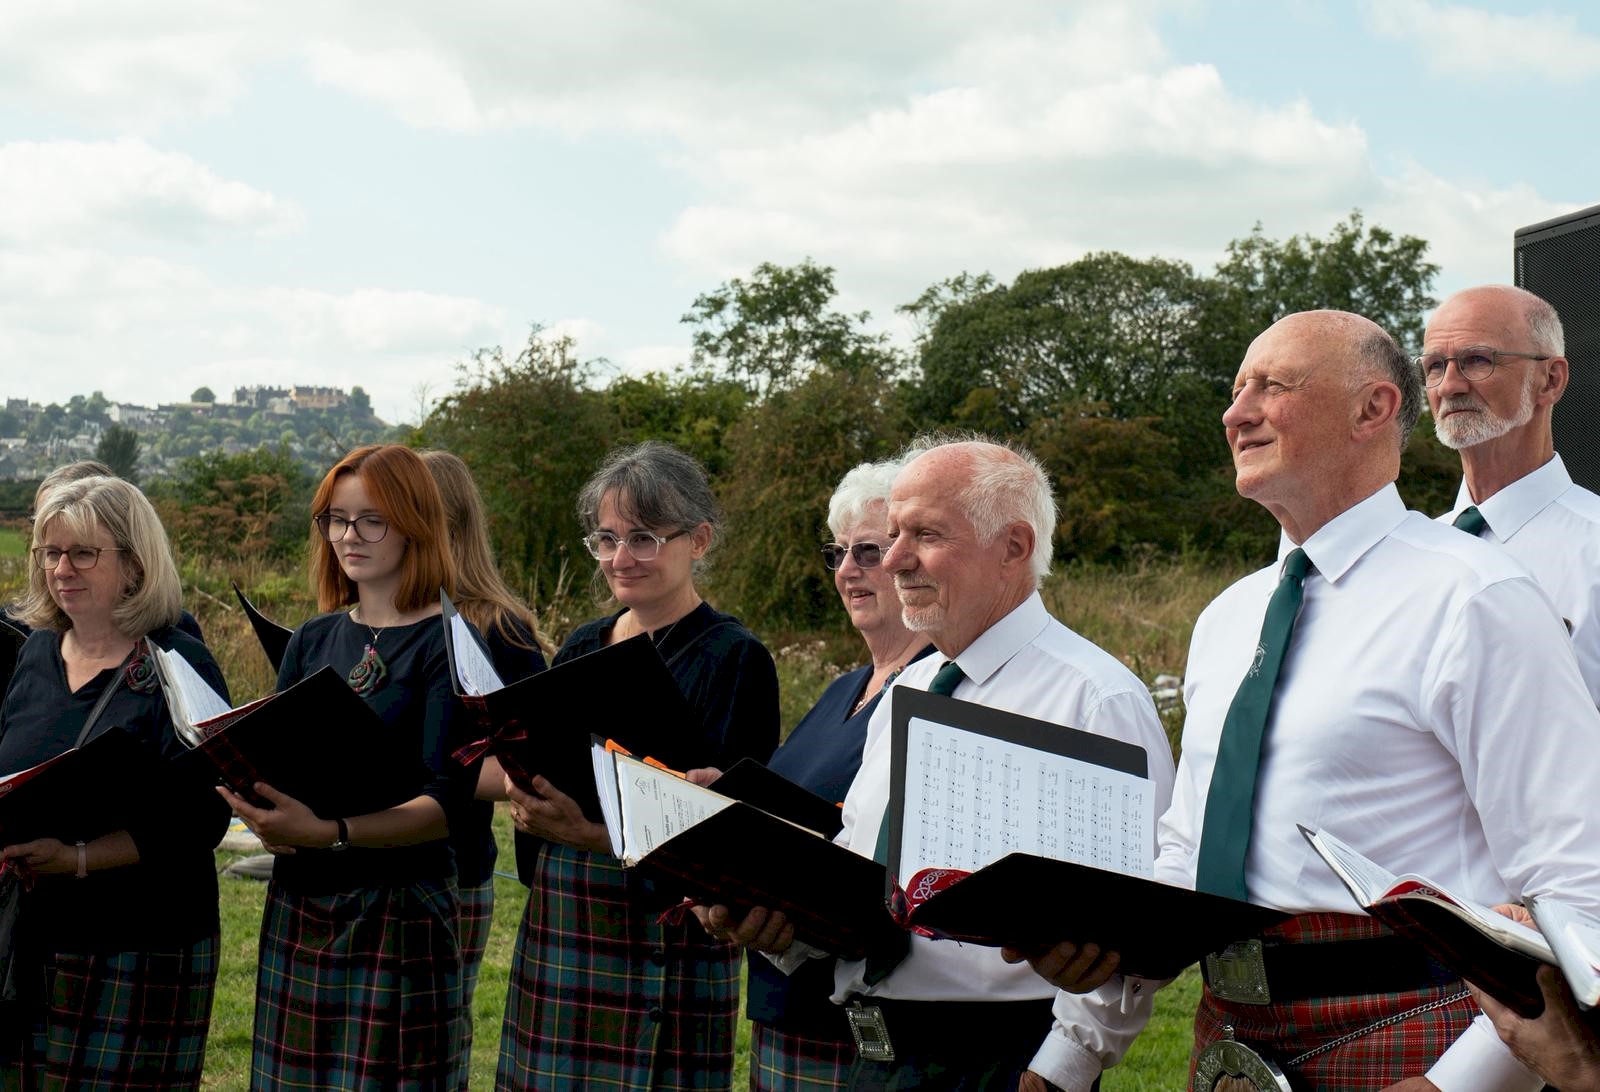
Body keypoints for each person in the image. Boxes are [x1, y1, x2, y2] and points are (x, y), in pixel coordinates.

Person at [1029, 311, 1600, 1091]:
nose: (1237, 412)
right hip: (1228, 1039)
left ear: (1374, 410)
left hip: (1415, 1037)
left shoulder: (1475, 598)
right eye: (1236, 391)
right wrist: (1097, 971)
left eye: (1273, 387)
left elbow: (1577, 875)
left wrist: (1459, 1084)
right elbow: (1188, 847)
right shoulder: (1227, 617)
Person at [713, 437, 1175, 1091]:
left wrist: (1063, 1066)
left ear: (1013, 547)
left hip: (1000, 1060)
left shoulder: (1092, 696)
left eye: (925, 535)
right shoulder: (911, 688)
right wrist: (778, 927)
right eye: (895, 533)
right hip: (871, 1054)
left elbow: (1133, 916)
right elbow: (867, 877)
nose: (895, 559)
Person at [495, 440, 780, 1091]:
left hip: (668, 930)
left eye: (645, 538)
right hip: (567, 913)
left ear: (699, 540)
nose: (621, 559)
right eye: (607, 538)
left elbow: (737, 834)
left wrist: (595, 835)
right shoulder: (582, 644)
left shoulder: (735, 658)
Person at [221, 443, 476, 1090]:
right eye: (336, 518)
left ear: (415, 524)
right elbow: (277, 758)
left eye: (371, 519)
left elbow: (446, 806)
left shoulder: (448, 641)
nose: (348, 536)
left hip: (398, 912)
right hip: (303, 902)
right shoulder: (313, 638)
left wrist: (331, 832)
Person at [0, 474, 230, 1088]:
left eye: (83, 553)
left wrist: (76, 858)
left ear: (133, 564)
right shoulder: (36, 651)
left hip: (141, 948)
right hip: (32, 941)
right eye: (50, 553)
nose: (61, 569)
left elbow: (202, 817)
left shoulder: (178, 660)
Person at [745, 457, 935, 1091]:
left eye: (869, 551)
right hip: (779, 1007)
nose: (849, 570)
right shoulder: (842, 689)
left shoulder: (939, 693)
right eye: (840, 552)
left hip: (860, 1031)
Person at [419, 447, 549, 1022]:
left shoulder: (497, 626)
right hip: (361, 861)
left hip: (452, 869)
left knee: (431, 1040)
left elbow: (537, 761)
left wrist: (428, 772)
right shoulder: (372, 618)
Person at [1423, 284, 1600, 702]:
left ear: (1550, 380)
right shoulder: (1408, 553)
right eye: (1434, 366)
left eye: (1477, 360)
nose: (1449, 386)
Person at [3, 459, 204, 644]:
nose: (62, 569)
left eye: (83, 551)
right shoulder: (15, 627)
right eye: (43, 524)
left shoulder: (173, 634)